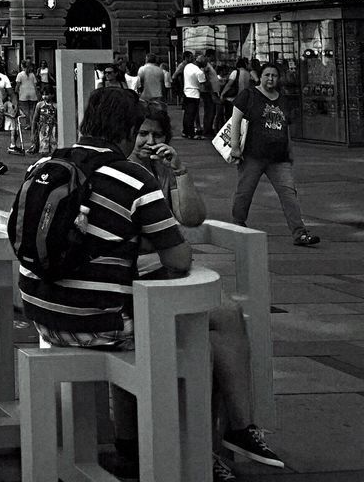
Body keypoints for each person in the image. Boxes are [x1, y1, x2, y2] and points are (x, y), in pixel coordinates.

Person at [19, 88, 193, 474]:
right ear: (129, 130)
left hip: (40, 314)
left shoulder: (46, 162)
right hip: (94, 324)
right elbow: (180, 260)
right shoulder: (133, 177)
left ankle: (129, 445)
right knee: (193, 336)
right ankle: (194, 449)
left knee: (137, 314)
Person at [112, 103, 284, 480]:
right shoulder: (120, 175)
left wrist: (181, 172)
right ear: (127, 135)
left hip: (161, 278)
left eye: (156, 135)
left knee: (226, 316)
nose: (149, 141)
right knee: (207, 334)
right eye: (142, 134)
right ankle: (203, 449)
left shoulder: (160, 171)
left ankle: (238, 429)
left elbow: (191, 217)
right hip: (133, 285)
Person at [229, 63, 319, 247]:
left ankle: (300, 233)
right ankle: (238, 224)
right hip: (253, 155)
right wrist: (235, 146)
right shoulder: (249, 95)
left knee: (289, 194)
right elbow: (236, 120)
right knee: (245, 192)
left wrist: (290, 151)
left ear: (279, 79)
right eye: (267, 75)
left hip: (279, 158)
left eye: (274, 76)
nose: (270, 79)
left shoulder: (283, 99)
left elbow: (285, 128)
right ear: (260, 77)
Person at [13, 59, 39, 154]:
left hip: (23, 95)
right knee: (33, 113)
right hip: (32, 94)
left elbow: (17, 86)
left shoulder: (20, 74)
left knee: (27, 113)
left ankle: (31, 124)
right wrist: (38, 96)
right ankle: (32, 125)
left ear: (22, 66)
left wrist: (14, 93)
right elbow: (36, 86)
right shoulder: (32, 74)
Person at [218, 57, 251, 130]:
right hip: (244, 99)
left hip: (233, 99)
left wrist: (222, 94)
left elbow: (229, 85)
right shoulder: (248, 74)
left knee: (230, 118)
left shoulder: (235, 72)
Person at [182, 51, 207, 139]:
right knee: (192, 115)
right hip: (194, 94)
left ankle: (185, 131)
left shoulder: (187, 66)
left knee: (187, 114)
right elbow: (203, 86)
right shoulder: (199, 72)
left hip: (186, 92)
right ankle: (191, 134)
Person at [33, 86, 58, 154]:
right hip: (43, 128)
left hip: (54, 128)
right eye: (43, 94)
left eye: (46, 94)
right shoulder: (39, 105)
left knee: (54, 144)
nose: (44, 96)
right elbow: (35, 119)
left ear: (52, 95)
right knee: (44, 145)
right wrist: (33, 132)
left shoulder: (56, 106)